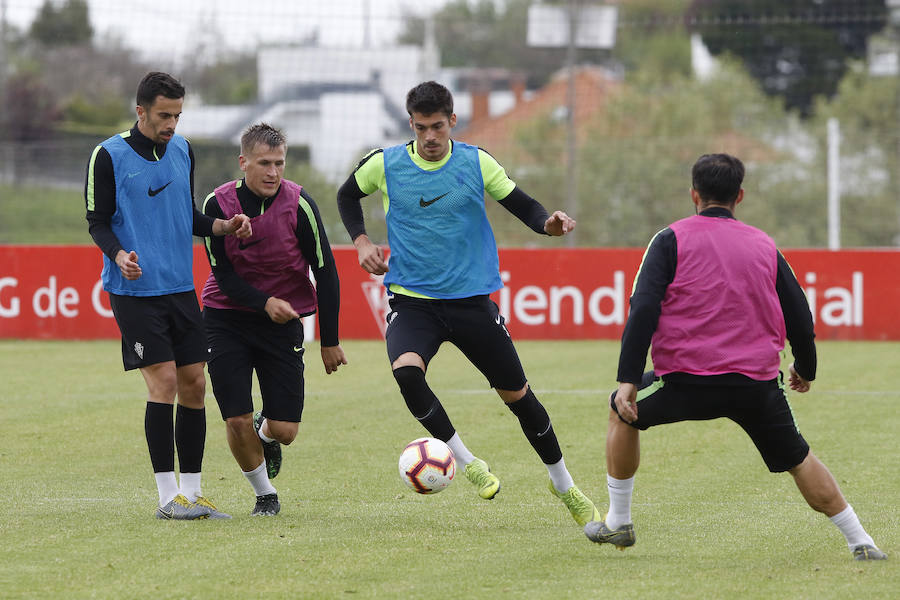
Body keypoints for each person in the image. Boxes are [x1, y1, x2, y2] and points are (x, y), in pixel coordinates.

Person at [584, 153, 887, 561]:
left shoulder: (669, 239)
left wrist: (627, 379)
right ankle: (861, 541)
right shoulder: (764, 244)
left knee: (622, 413)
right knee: (799, 458)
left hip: (687, 384)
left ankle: (619, 522)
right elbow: (799, 313)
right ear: (739, 196)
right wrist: (806, 368)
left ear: (694, 193)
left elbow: (644, 308)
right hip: (756, 386)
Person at [336, 80, 600, 527]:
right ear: (412, 125)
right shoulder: (386, 164)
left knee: (519, 398)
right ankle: (468, 462)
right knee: (406, 372)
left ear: (452, 121)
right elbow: (346, 195)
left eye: (438, 126)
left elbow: (525, 206)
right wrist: (361, 240)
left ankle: (564, 486)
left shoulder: (476, 162)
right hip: (413, 301)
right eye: (422, 128)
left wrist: (549, 224)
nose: (431, 137)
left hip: (472, 302)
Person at [84, 71, 251, 520]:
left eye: (177, 114)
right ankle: (165, 497)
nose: (172, 123)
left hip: (180, 288)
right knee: (164, 383)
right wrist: (119, 256)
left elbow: (186, 215)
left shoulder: (183, 149)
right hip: (135, 290)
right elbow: (97, 221)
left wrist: (222, 226)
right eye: (164, 115)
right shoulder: (108, 155)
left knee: (195, 384)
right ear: (140, 111)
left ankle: (193, 495)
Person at [201, 123, 346, 517]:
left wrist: (330, 339)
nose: (273, 172)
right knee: (235, 417)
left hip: (281, 325)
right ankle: (265, 494)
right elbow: (224, 276)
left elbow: (326, 271)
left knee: (285, 431)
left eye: (279, 163)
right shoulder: (217, 205)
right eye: (264, 163)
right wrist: (265, 301)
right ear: (243, 162)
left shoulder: (300, 205)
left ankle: (266, 433)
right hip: (224, 317)